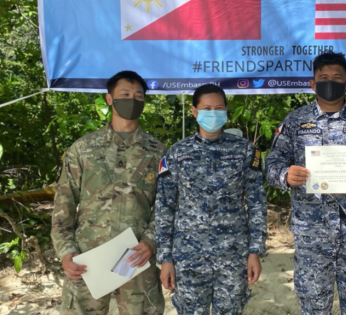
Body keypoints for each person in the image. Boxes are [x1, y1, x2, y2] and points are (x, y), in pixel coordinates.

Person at [265, 51, 346, 315]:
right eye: (323, 77)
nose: (330, 82)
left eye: (337, 77)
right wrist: (285, 176)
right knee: (314, 307)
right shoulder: (294, 122)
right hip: (312, 232)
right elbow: (272, 164)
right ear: (312, 83)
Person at [51, 70, 166, 315]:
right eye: (125, 94)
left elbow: (165, 205)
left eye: (138, 95)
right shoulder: (83, 149)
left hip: (137, 261)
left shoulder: (157, 152)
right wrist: (66, 252)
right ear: (109, 99)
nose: (132, 100)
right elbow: (64, 205)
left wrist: (151, 242)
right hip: (88, 260)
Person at [155, 84, 267, 315]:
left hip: (233, 256)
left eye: (218, 108)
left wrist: (254, 252)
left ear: (226, 110)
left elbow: (257, 204)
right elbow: (164, 207)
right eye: (206, 108)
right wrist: (166, 258)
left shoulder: (245, 151)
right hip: (188, 256)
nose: (213, 113)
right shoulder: (177, 153)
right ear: (194, 111)